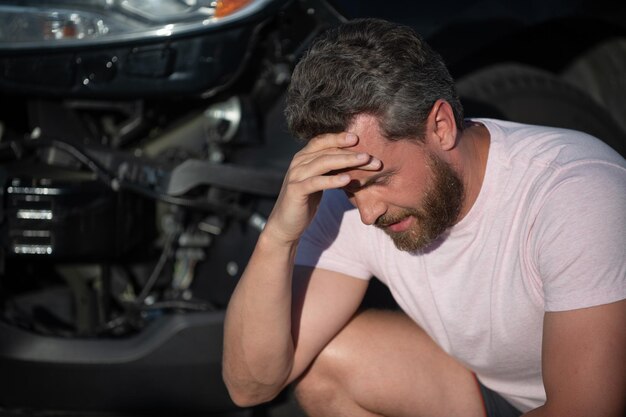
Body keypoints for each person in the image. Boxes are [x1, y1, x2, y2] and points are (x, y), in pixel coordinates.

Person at [222, 18, 626, 417]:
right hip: (499, 396)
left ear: (441, 126)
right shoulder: (353, 201)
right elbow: (250, 386)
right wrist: (278, 237)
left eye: (382, 179)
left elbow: (585, 408)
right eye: (350, 188)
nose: (367, 213)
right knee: (326, 366)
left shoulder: (574, 191)